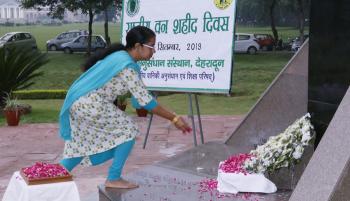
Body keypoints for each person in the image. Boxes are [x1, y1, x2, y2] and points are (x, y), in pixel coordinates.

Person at [58, 26, 192, 189]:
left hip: (78, 103)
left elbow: (139, 100)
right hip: (91, 104)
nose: (154, 51)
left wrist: (150, 103)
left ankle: (49, 178)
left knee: (79, 145)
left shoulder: (119, 57)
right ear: (137, 46)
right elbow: (146, 102)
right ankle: (114, 178)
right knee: (128, 131)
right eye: (151, 46)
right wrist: (174, 118)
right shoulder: (127, 66)